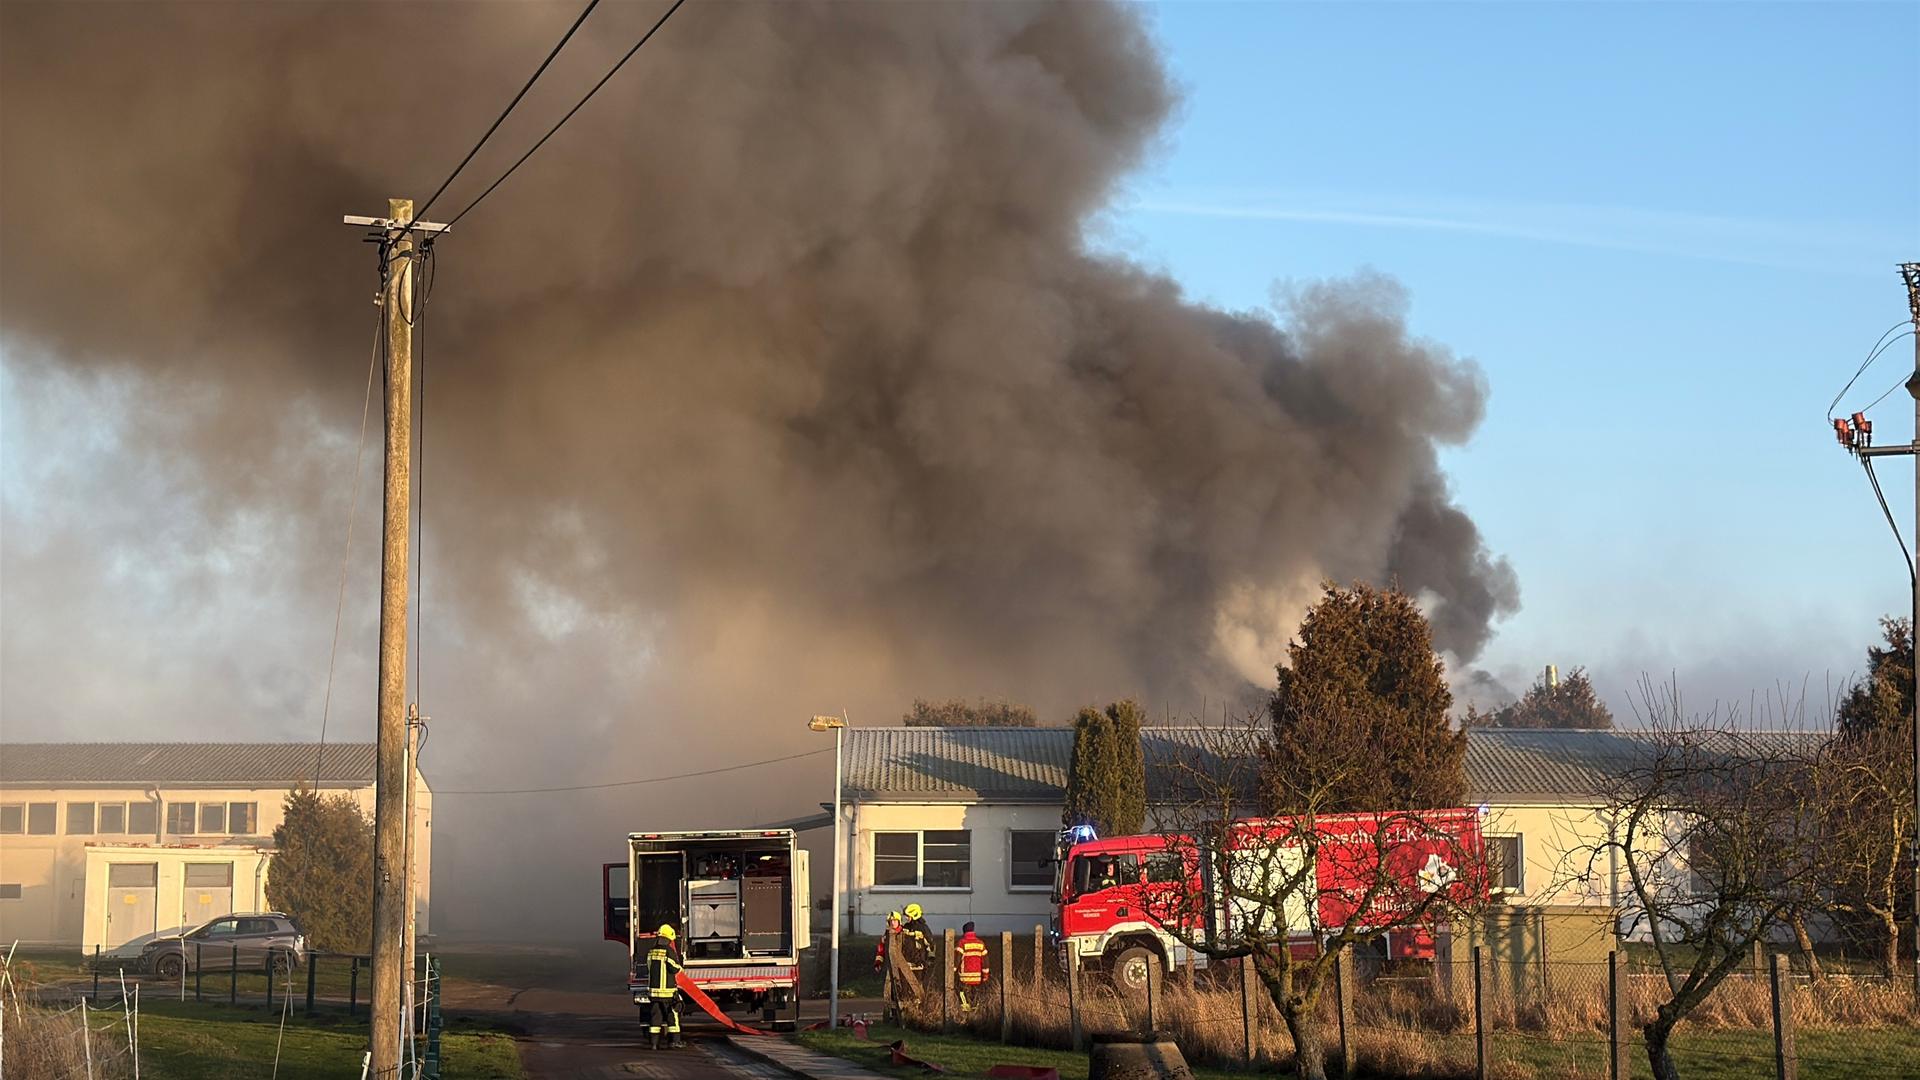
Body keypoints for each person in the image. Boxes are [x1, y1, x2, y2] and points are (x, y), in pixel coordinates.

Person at [646, 923, 685, 1049]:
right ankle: (674, 1041)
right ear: (669, 939)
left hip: (653, 993)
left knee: (655, 1019)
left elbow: (649, 967)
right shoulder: (668, 951)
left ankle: (654, 1044)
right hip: (667, 993)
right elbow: (674, 968)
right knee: (672, 1018)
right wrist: (681, 968)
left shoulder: (651, 951)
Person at [954, 921, 989, 1013]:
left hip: (964, 977)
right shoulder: (981, 943)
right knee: (975, 995)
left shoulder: (962, 943)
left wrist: (953, 971)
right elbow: (985, 961)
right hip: (977, 977)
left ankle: (966, 1012)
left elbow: (957, 959)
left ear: (964, 931)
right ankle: (975, 1012)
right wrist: (985, 975)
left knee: (962, 993)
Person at [900, 903, 934, 970]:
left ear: (914, 915)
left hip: (919, 962)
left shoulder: (923, 928)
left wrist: (929, 959)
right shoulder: (906, 926)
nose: (906, 918)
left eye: (908, 916)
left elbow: (930, 943)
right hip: (907, 960)